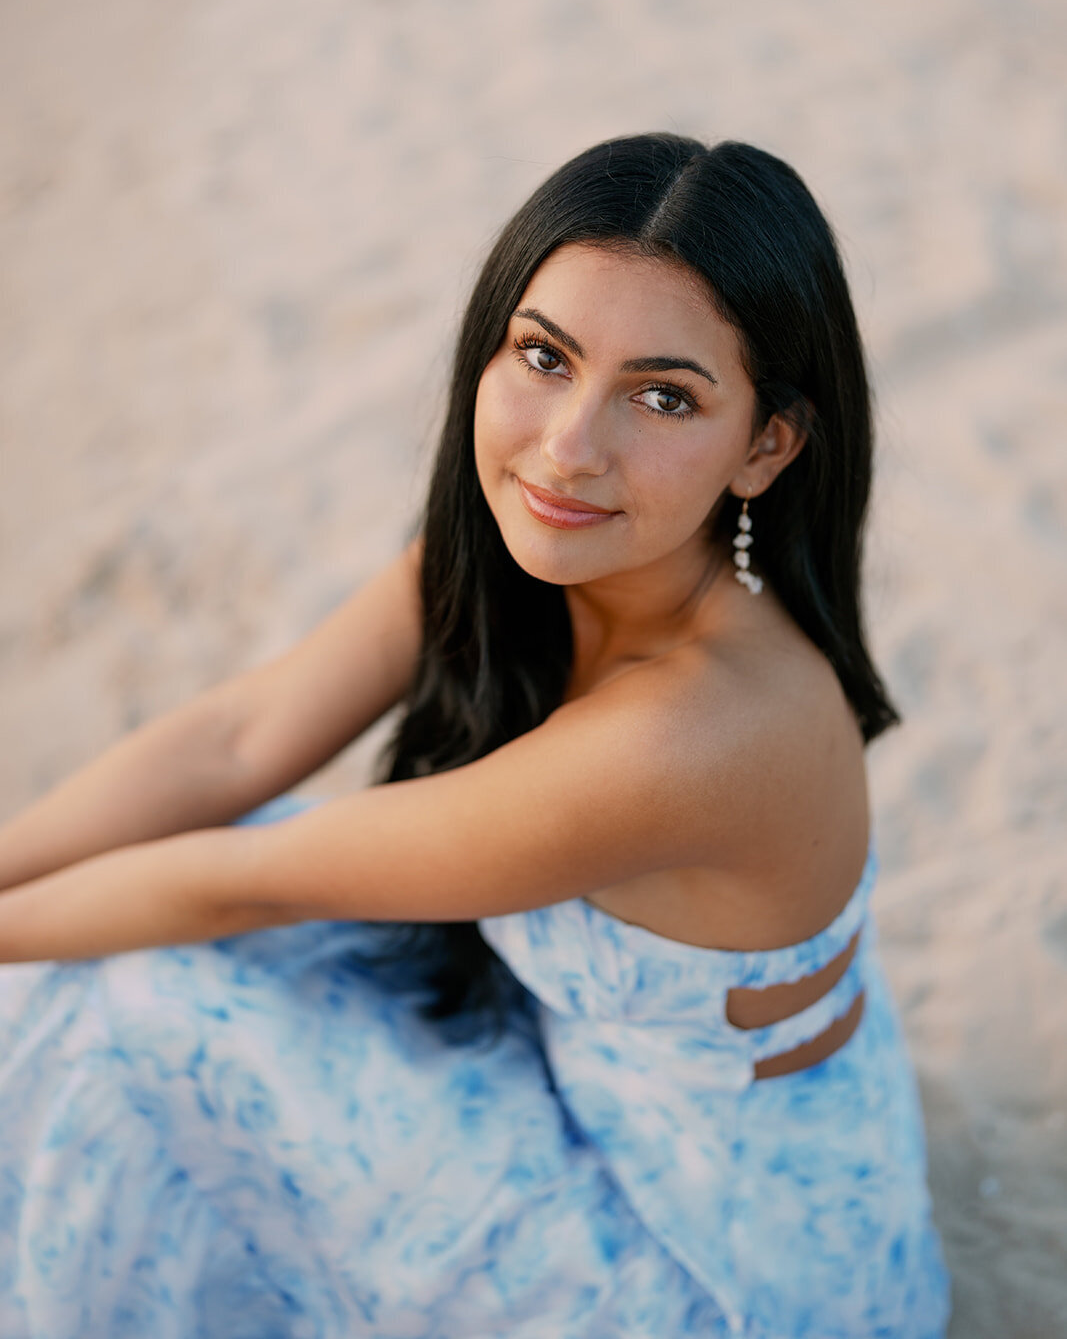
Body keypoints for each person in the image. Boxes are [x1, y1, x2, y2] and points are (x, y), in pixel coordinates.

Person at [0, 133, 950, 1337]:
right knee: (137, 907)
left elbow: (245, 882)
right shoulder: (546, 556)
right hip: (606, 1091)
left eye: (662, 396)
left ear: (766, 444)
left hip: (712, 1256)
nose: (568, 445)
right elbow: (234, 740)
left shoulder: (692, 733)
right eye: (544, 357)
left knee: (132, 1001)